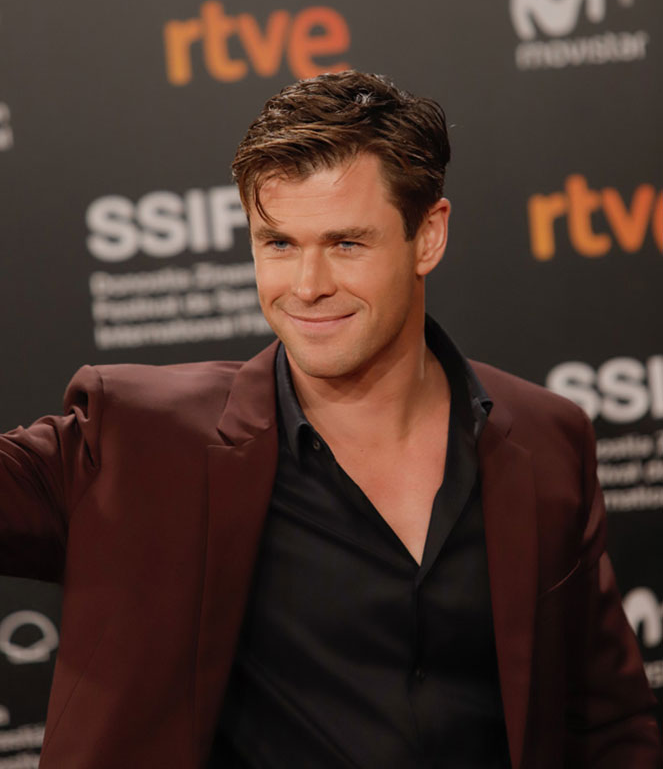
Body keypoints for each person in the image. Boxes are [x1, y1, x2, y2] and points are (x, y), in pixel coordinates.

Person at [0, 70, 658, 769]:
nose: (307, 287)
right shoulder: (135, 441)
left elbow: (607, 725)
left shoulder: (547, 438)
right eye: (278, 244)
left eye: (346, 243)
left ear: (428, 236)